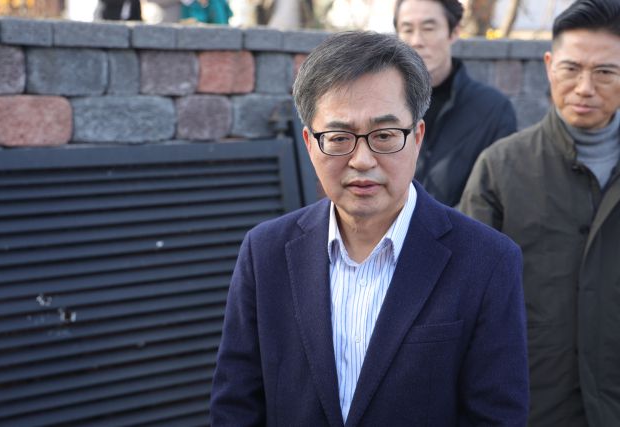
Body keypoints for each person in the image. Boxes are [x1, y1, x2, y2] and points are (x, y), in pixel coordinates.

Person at [210, 31, 528, 425]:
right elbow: (236, 407)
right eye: (339, 137)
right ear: (309, 143)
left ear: (417, 137)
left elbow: (495, 417)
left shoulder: (487, 261)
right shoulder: (265, 253)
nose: (362, 160)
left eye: (384, 136)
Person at [459, 0, 620, 425]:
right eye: (571, 69)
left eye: (605, 72)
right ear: (549, 66)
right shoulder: (501, 168)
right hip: (532, 408)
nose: (585, 87)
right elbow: (463, 298)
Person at [394, 0, 517, 207]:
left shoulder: (494, 110)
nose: (417, 41)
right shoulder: (382, 107)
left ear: (454, 32)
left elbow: (498, 199)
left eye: (428, 28)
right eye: (407, 29)